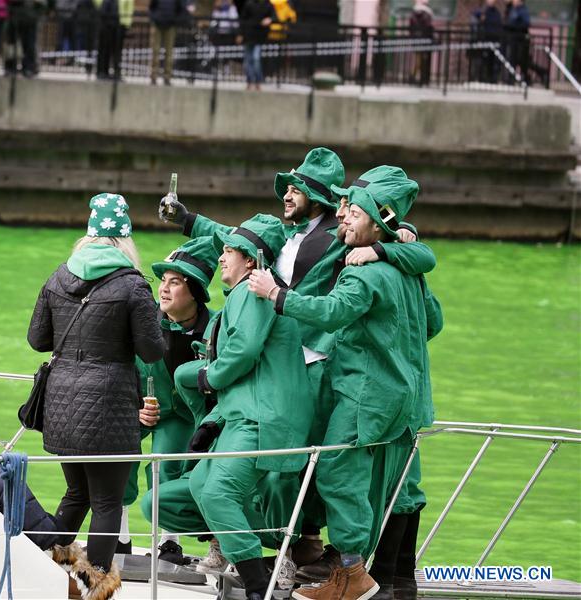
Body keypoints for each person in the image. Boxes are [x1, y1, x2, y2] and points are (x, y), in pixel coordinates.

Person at [158, 149, 437, 578]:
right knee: (317, 463)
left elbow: (415, 255)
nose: (288, 193)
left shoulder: (339, 241)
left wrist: (392, 242)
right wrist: (190, 220)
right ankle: (357, 566)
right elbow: (239, 238)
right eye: (288, 186)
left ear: (324, 198)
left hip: (321, 365)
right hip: (324, 371)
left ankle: (328, 559)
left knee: (324, 465)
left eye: (298, 188)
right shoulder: (289, 236)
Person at [249, 167, 432, 600]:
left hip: (365, 392)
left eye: (354, 211)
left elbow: (332, 312)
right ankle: (389, 579)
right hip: (407, 396)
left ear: (377, 221)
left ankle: (351, 573)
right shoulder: (408, 270)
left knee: (335, 470)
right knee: (390, 484)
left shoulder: (362, 271)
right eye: (343, 208)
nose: (343, 216)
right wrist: (396, 244)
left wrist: (276, 295)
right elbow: (434, 320)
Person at [27, 193, 164, 600]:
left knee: (77, 494)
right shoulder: (133, 285)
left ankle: (41, 566)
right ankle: (93, 589)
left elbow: (37, 340)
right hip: (110, 403)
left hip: (63, 402)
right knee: (106, 501)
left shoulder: (58, 276)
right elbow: (152, 351)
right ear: (125, 239)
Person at [186, 214, 312, 600]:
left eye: (229, 251)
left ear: (251, 260)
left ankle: (259, 587)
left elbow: (243, 350)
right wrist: (214, 419)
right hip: (244, 414)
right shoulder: (247, 293)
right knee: (198, 482)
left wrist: (210, 377)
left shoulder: (251, 291)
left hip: (261, 419)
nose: (221, 259)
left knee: (217, 494)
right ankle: (271, 554)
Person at [117, 236, 218, 563]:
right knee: (118, 451)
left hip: (188, 417)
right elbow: (124, 370)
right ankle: (119, 537)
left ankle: (169, 543)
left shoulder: (217, 327)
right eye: (163, 281)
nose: (163, 289)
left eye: (174, 282)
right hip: (143, 408)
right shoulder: (144, 322)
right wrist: (136, 409)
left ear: (196, 292)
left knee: (164, 465)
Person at [238, 0, 277, 91]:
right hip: (248, 36)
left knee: (256, 59)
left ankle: (258, 82)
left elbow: (275, 16)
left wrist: (270, 19)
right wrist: (240, 34)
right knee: (248, 60)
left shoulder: (268, 4)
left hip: (259, 37)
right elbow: (243, 20)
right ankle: (250, 81)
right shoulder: (249, 4)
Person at [149, 0, 188, 85]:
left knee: (169, 52)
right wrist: (154, 18)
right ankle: (153, 76)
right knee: (155, 51)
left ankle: (167, 77)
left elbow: (181, 9)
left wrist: (175, 20)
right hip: (157, 24)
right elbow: (151, 7)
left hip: (171, 25)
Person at [471, 0, 503, 83]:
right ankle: (481, 77)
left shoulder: (496, 12)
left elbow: (498, 24)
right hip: (484, 39)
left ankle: (491, 78)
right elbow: (475, 17)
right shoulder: (483, 10)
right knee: (483, 60)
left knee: (492, 60)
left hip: (494, 39)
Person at [408, 0, 434, 87]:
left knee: (418, 59)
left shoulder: (413, 15)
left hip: (416, 39)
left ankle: (415, 77)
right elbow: (429, 27)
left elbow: (411, 28)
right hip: (424, 39)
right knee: (422, 59)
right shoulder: (427, 15)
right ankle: (417, 77)